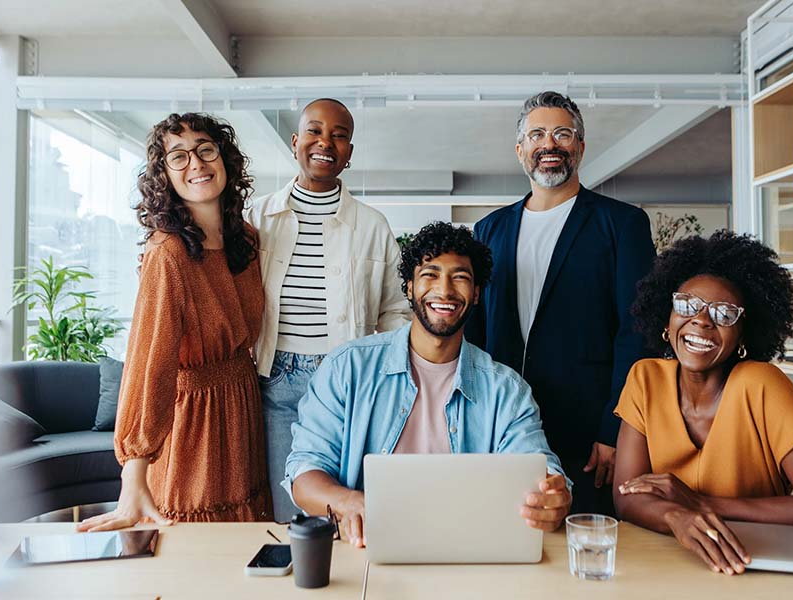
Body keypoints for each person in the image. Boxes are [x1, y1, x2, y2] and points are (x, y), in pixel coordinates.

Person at [286, 222, 571, 546]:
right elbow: (304, 473)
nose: (445, 290)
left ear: (476, 293)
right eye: (430, 274)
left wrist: (552, 495)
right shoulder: (347, 368)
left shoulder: (506, 390)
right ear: (409, 287)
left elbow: (538, 465)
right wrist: (350, 503)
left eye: (460, 277)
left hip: (469, 550)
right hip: (365, 548)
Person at [613, 230, 793, 575]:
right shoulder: (645, 379)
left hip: (757, 561)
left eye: (724, 314)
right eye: (687, 305)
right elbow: (627, 496)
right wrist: (676, 516)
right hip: (669, 561)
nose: (701, 320)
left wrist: (699, 503)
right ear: (667, 319)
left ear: (742, 335)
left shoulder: (762, 385)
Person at [78, 113, 271, 531]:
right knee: (196, 539)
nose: (196, 164)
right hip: (194, 422)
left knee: (245, 540)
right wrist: (135, 471)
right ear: (164, 175)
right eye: (178, 157)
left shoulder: (247, 240)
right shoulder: (168, 254)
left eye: (205, 150)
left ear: (224, 159)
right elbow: (150, 363)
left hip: (242, 408)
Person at [465, 91, 655, 514]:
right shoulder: (488, 230)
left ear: (580, 147)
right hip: (503, 426)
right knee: (508, 531)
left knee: (584, 536)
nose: (549, 144)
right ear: (520, 150)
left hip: (588, 433)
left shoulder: (622, 224)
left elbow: (638, 334)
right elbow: (474, 335)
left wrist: (615, 429)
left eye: (562, 134)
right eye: (537, 135)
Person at [245, 98, 410, 520]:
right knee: (291, 509)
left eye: (339, 136)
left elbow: (396, 310)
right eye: (315, 131)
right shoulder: (258, 216)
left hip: (348, 379)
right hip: (275, 380)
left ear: (349, 152)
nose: (325, 142)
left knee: (348, 502)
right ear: (295, 141)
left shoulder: (372, 225)